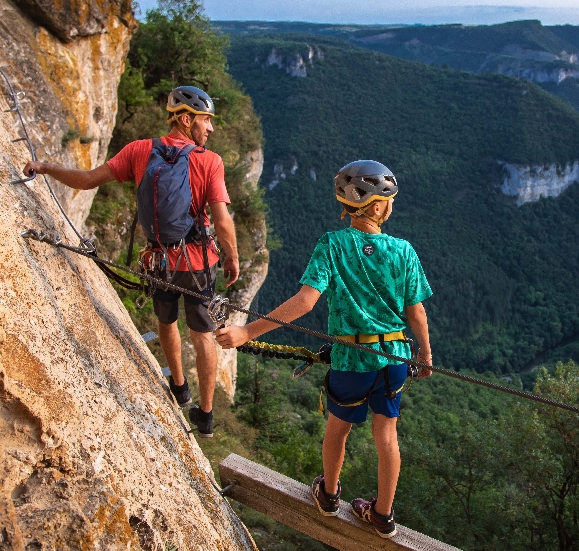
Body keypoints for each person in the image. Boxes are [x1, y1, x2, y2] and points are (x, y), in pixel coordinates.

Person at [215, 159, 433, 539]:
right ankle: (383, 516)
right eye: (390, 200)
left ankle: (329, 496)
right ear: (378, 206)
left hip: (352, 359)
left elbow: (304, 302)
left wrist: (247, 332)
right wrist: (425, 355)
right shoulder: (404, 251)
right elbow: (416, 311)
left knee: (338, 430)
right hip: (395, 357)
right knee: (387, 435)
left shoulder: (332, 245)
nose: (391, 206)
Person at [23, 85, 239, 438]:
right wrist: (231, 257)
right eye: (205, 121)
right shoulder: (209, 161)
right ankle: (206, 414)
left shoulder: (140, 150)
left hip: (159, 261)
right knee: (202, 335)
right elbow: (223, 219)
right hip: (198, 264)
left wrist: (45, 167)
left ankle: (180, 390)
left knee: (166, 320)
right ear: (186, 120)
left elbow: (88, 179)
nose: (210, 129)